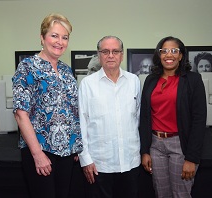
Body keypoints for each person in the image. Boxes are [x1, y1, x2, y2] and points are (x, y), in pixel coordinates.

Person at [12, 13, 83, 198]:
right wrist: (37, 154)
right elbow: (20, 114)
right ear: (42, 37)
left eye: (64, 37)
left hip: (67, 152)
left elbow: (72, 110)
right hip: (40, 150)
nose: (60, 42)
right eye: (54, 35)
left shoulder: (67, 70)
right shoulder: (27, 67)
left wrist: (75, 144)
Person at [139, 36, 207, 198]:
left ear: (181, 55)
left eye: (174, 51)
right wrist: (145, 151)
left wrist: (192, 158)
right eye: (164, 51)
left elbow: (199, 120)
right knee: (161, 193)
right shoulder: (150, 80)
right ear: (159, 55)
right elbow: (145, 117)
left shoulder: (193, 80)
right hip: (156, 146)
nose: (169, 55)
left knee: (181, 193)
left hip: (180, 146)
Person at [78, 35, 141, 198]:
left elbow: (139, 119)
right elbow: (81, 123)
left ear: (122, 54)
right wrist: (85, 159)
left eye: (115, 51)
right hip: (99, 165)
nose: (110, 55)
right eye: (105, 51)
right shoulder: (87, 84)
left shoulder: (134, 81)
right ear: (99, 55)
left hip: (131, 161)